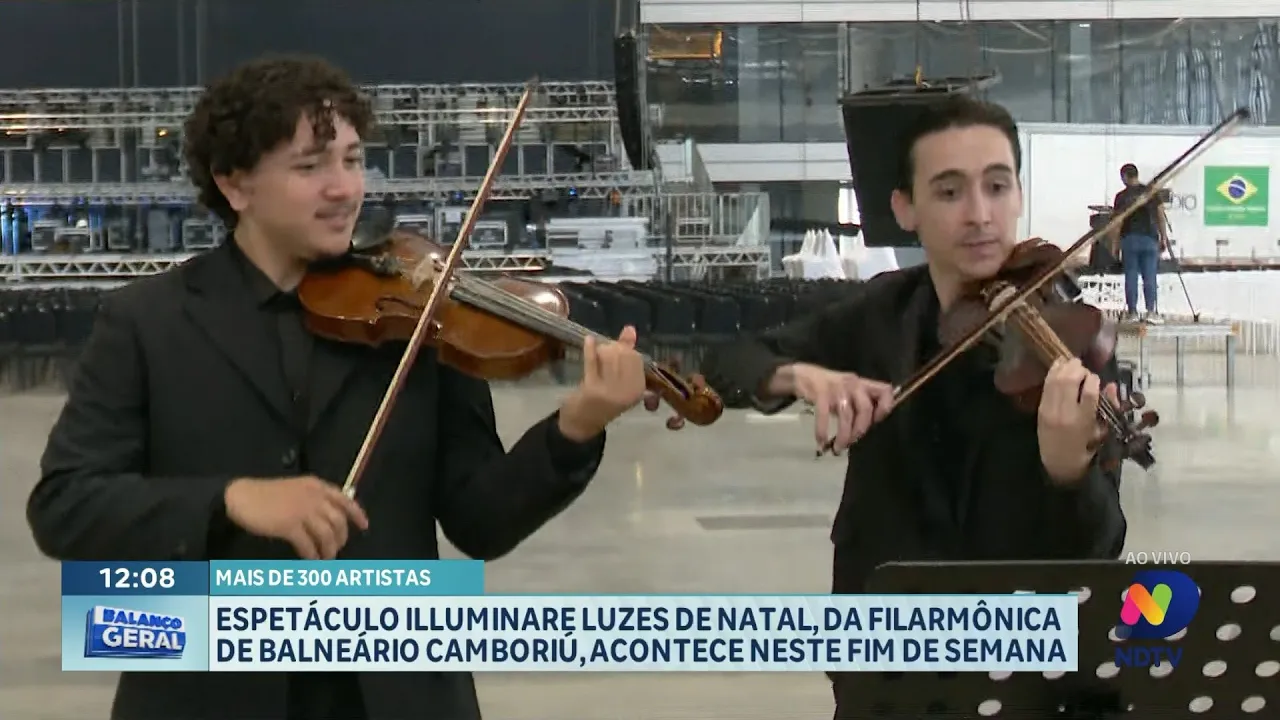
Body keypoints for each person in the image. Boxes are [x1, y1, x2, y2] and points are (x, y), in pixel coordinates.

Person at [27, 55, 647, 720]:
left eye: (352, 160)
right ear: (235, 185)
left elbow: (481, 521)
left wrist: (575, 428)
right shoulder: (146, 322)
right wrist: (229, 500)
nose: (344, 188)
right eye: (310, 167)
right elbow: (67, 506)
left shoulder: (419, 315)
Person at [700, 95, 1127, 719]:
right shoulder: (882, 312)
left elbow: (1101, 549)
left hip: (1026, 667)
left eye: (997, 186)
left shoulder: (1067, 341)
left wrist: (1070, 477)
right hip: (887, 654)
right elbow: (730, 360)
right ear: (905, 209)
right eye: (949, 192)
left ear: (1017, 195)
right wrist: (798, 374)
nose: (979, 215)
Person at [1110, 163, 1168, 324]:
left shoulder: (1121, 197)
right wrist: (1163, 238)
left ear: (1124, 177)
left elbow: (1117, 223)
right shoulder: (1150, 192)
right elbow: (1160, 215)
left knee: (1131, 276)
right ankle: (1151, 312)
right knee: (1150, 276)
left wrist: (1115, 246)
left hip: (1129, 240)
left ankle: (1132, 313)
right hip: (1149, 239)